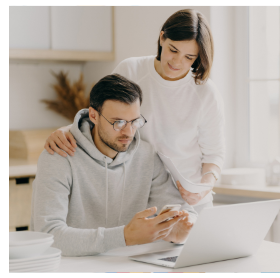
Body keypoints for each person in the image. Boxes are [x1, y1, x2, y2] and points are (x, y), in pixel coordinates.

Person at [43, 9, 225, 214]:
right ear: (162, 37)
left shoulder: (205, 93)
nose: (177, 62)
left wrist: (203, 187)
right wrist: (66, 131)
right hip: (138, 200)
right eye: (173, 50)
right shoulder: (131, 70)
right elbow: (102, 116)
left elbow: (214, 154)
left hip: (190, 205)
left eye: (189, 57)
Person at [31, 74, 198, 257]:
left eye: (134, 122)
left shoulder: (147, 156)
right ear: (93, 115)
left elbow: (182, 211)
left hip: (127, 266)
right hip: (71, 267)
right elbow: (49, 235)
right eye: (118, 122)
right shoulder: (59, 155)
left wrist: (179, 233)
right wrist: (124, 237)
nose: (128, 132)